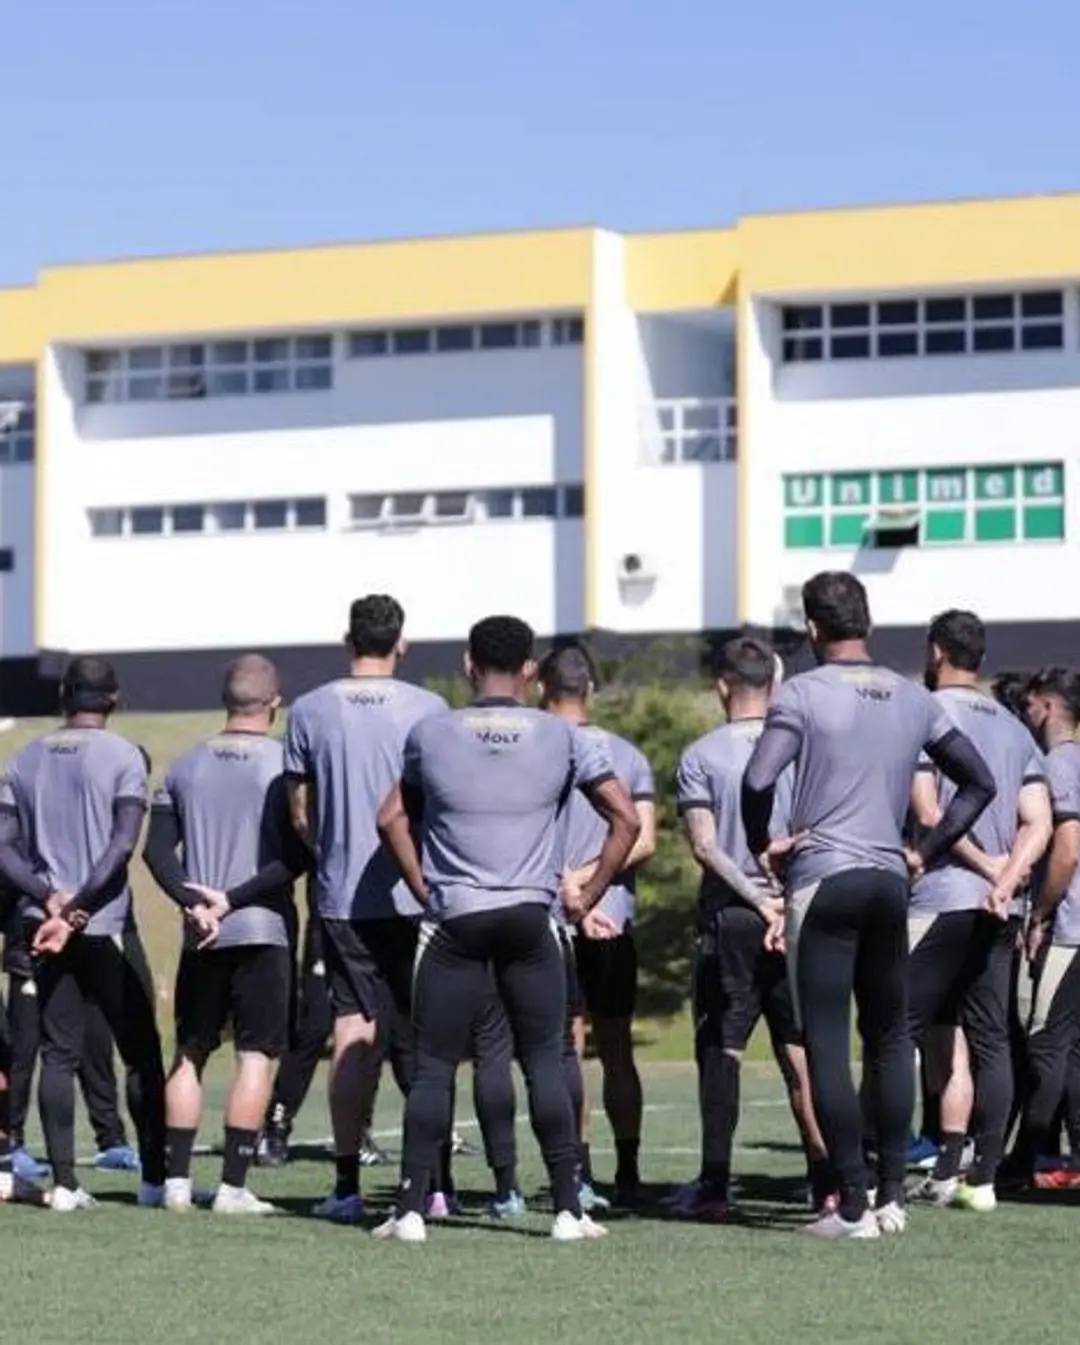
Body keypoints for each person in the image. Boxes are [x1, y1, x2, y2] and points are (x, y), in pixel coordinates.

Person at [741, 572, 996, 1240]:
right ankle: (890, 1197)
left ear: (812, 629)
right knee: (888, 1036)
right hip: (890, 880)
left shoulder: (800, 690)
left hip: (824, 879)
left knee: (826, 1041)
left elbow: (758, 776)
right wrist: (929, 848)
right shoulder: (914, 696)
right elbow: (979, 780)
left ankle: (850, 1205)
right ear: (870, 623)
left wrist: (762, 844)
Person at [373, 614, 641, 1243]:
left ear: (470, 663)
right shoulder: (564, 735)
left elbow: (390, 819)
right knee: (546, 1061)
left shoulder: (430, 732)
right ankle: (570, 1211)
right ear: (530, 670)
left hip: (453, 919)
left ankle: (411, 1211)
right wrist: (589, 891)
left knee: (435, 1066)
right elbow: (625, 820)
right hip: (531, 916)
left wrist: (423, 888)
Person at [284, 594, 449, 1222]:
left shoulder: (311, 708)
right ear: (400, 644)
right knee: (422, 1036)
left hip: (343, 896)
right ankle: (433, 1186)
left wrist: (327, 846)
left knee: (352, 1030)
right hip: (419, 893)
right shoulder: (430, 709)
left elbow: (300, 812)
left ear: (346, 640)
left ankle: (348, 1185)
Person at [143, 654, 309, 1214]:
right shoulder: (288, 765)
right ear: (274, 702)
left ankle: (177, 1184)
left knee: (190, 1053)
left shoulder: (186, 764)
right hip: (262, 929)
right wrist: (233, 899)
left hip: (202, 936)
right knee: (256, 1055)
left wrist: (194, 903)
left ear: (226, 700)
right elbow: (296, 855)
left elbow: (156, 850)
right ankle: (234, 1187)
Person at [0, 656, 167, 1211]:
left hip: (41, 922)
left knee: (57, 1053)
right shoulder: (123, 756)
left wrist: (49, 898)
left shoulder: (23, 757)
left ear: (65, 697)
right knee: (141, 1052)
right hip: (103, 923)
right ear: (114, 698)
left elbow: (3, 847)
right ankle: (154, 1181)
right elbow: (121, 846)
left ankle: (67, 1184)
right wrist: (76, 910)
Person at [673, 635, 830, 1221]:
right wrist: (783, 903)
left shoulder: (702, 754)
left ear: (721, 687)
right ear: (775, 684)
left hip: (733, 918)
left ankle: (715, 1187)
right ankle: (826, 1181)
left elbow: (706, 847)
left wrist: (757, 902)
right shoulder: (805, 747)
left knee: (723, 1051)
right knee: (802, 1052)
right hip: (797, 914)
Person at [907, 612, 1051, 1213]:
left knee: (898, 1033)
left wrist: (983, 867)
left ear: (937, 651)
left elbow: (928, 809)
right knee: (984, 1040)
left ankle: (879, 1172)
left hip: (938, 899)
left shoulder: (922, 710)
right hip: (999, 910)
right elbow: (1038, 821)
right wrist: (1009, 876)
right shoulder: (1015, 728)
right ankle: (976, 1175)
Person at [539, 644, 656, 1207]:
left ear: (542, 688)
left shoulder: (535, 749)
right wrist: (595, 885)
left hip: (558, 919)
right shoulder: (627, 754)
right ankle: (628, 1170)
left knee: (568, 1046)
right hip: (611, 917)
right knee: (616, 1051)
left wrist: (572, 886)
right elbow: (646, 838)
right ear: (591, 690)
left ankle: (578, 1172)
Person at [1014, 667, 1080, 1175]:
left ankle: (1030, 1153)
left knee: (1045, 1040)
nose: (1027, 714)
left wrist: (1041, 912)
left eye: (1031, 705)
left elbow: (1067, 850)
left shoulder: (1058, 764)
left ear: (1050, 707)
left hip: (1071, 925)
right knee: (1074, 1046)